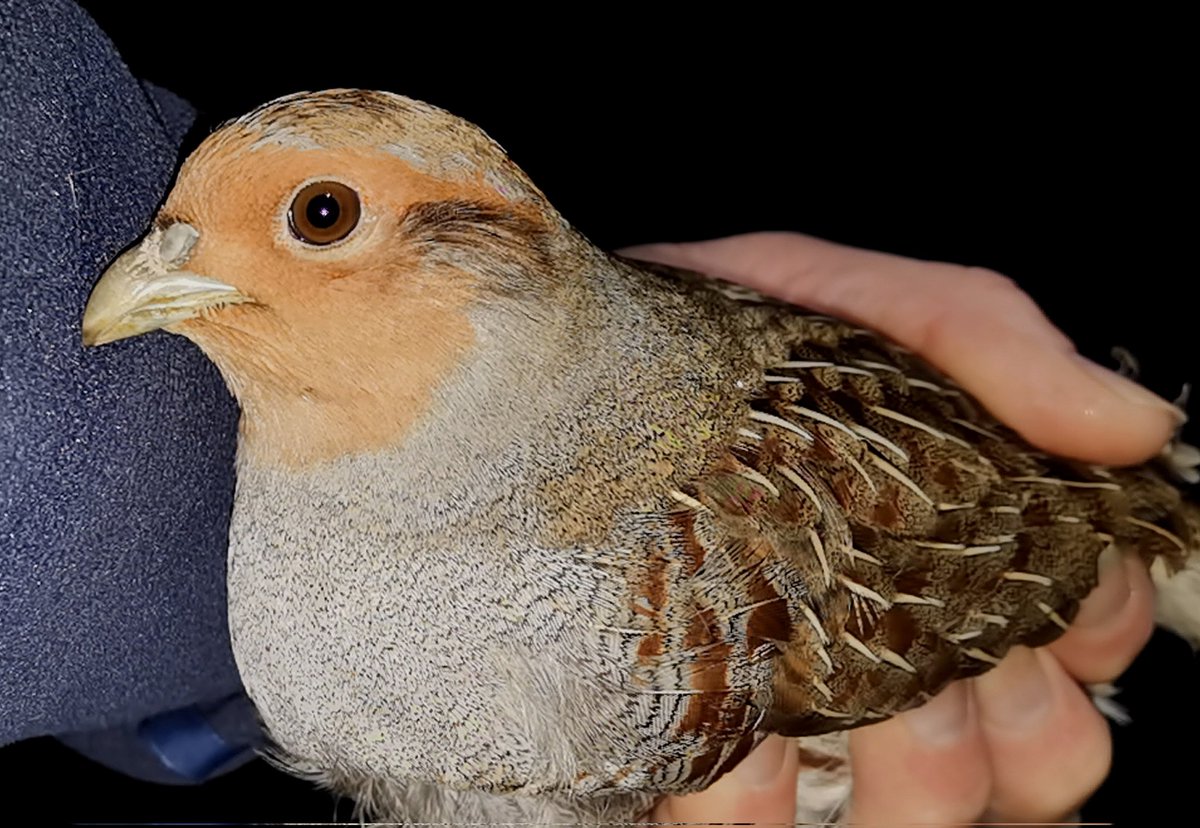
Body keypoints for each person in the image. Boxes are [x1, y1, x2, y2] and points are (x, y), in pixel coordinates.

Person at [0, 1, 1176, 823]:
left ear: (498, 262)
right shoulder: (287, 449)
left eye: (318, 218)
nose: (150, 267)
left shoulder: (727, 531)